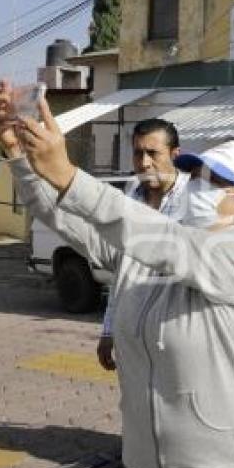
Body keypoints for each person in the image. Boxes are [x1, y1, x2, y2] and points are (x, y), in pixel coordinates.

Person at [0, 81, 234, 468]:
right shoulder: (157, 247)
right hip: (147, 466)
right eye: (197, 175)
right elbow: (65, 218)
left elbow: (158, 237)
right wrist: (20, 158)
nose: (201, 186)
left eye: (216, 182)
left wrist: (68, 173)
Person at [96, 118, 189, 371]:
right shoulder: (132, 195)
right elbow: (122, 271)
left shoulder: (196, 198)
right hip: (133, 337)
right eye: (138, 153)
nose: (145, 162)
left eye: (153, 153)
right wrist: (109, 329)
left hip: (177, 340)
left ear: (175, 154)